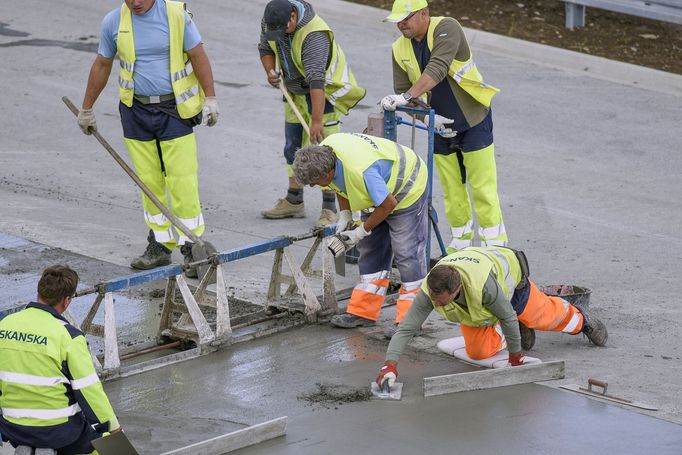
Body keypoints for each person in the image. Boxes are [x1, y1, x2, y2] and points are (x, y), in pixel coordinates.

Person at [78, 0, 219, 276]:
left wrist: (211, 97)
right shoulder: (114, 22)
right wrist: (86, 107)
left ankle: (191, 244)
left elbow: (198, 55)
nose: (136, 3)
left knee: (182, 178)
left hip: (174, 110)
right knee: (148, 180)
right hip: (135, 111)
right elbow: (102, 64)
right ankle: (160, 244)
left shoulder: (177, 16)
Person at [375, 247, 608, 386]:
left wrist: (516, 357)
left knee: (546, 317)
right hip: (482, 312)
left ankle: (583, 321)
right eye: (433, 300)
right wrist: (390, 365)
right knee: (478, 351)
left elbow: (506, 315)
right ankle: (518, 330)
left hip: (512, 287)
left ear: (456, 290)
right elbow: (406, 328)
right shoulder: (432, 289)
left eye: (440, 301)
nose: (434, 304)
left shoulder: (482, 286)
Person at [380, 0, 508, 252]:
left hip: (473, 121)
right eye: (397, 20)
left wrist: (405, 99)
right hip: (437, 127)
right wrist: (426, 118)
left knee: (482, 187)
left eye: (406, 18)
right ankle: (459, 244)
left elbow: (437, 68)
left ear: (424, 13)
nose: (401, 24)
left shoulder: (447, 28)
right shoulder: (399, 48)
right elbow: (401, 89)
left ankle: (495, 247)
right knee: (451, 189)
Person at [293, 132, 428, 338]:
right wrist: (345, 215)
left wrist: (361, 231)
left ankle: (411, 322)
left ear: (327, 171)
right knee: (372, 250)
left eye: (315, 182)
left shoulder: (361, 172)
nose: (313, 186)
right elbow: (337, 184)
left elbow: (388, 204)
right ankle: (363, 312)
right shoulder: (327, 150)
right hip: (378, 191)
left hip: (406, 187)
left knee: (407, 253)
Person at [258, 0, 366, 227]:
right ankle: (294, 199)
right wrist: (270, 72)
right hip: (294, 91)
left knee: (325, 150)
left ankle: (330, 208)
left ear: (294, 17)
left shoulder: (314, 34)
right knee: (293, 145)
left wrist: (317, 120)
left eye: (284, 29)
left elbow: (317, 79)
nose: (278, 34)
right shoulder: (272, 21)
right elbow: (266, 48)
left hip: (322, 92)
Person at [0, 265, 121, 453]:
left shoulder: (5, 325)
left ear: (39, 292)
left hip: (12, 427)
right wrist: (113, 428)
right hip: (58, 431)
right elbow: (89, 391)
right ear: (66, 301)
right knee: (105, 441)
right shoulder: (68, 336)